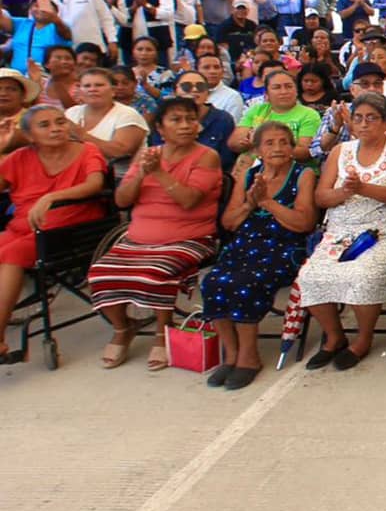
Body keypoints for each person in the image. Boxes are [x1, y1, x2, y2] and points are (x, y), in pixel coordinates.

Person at [88, 97, 223, 370]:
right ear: (160, 128)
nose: (185, 125)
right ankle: (123, 328)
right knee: (100, 272)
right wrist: (140, 174)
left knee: (155, 272)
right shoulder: (148, 154)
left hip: (189, 237)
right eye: (176, 120)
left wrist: (158, 173)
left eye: (190, 119)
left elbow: (189, 200)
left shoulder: (206, 155)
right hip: (139, 237)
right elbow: (122, 201)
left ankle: (162, 332)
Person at [297, 94, 386, 370]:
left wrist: (362, 189)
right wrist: (344, 192)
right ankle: (334, 337)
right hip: (341, 231)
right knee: (310, 276)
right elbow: (321, 196)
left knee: (363, 276)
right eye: (358, 118)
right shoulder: (341, 151)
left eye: (372, 118)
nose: (364, 124)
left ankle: (363, 339)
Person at [201, 122, 319, 390]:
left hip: (285, 247)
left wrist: (267, 203)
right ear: (258, 151)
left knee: (245, 283)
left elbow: (304, 223)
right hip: (245, 243)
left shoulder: (303, 175)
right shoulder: (248, 177)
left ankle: (249, 357)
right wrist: (250, 203)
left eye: (283, 142)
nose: (278, 148)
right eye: (270, 143)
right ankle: (230, 355)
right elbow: (229, 223)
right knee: (213, 282)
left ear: (292, 148)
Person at [0, 105, 110, 362]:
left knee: (12, 254)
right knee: (8, 248)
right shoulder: (19, 157)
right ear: (29, 136)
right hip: (24, 228)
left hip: (70, 230)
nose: (56, 128)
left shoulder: (87, 151)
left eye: (60, 122)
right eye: (45, 125)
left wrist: (52, 196)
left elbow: (94, 184)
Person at [65, 68, 148, 177]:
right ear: (80, 90)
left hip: (116, 180)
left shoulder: (127, 114)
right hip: (74, 174)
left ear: (113, 90)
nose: (92, 89)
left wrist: (80, 134)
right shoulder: (71, 112)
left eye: (99, 85)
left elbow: (120, 152)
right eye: (87, 86)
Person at [152, 69, 238, 172]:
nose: (194, 90)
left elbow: (227, 161)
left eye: (200, 86)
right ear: (175, 92)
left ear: (207, 93)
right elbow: (157, 151)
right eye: (186, 86)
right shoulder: (165, 117)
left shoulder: (223, 119)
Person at [232, 70, 320, 161]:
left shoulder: (309, 114)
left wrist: (258, 143)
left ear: (297, 91)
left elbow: (305, 152)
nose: (284, 91)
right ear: (266, 95)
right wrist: (244, 144)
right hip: (252, 166)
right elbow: (234, 142)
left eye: (289, 86)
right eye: (276, 87)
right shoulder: (256, 110)